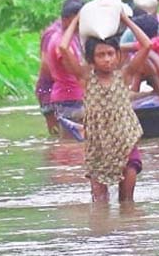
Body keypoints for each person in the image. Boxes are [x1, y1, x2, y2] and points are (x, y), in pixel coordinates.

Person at [58, 12, 152, 202]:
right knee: (100, 202)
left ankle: (127, 229)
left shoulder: (125, 75)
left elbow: (147, 45)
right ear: (92, 59)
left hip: (125, 139)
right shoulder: (86, 78)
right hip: (98, 144)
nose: (107, 59)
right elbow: (63, 47)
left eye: (110, 54)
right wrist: (76, 22)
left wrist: (125, 20)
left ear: (118, 55)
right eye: (101, 55)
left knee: (127, 201)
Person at [45, 0, 86, 127]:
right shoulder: (60, 41)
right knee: (73, 143)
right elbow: (75, 72)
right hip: (69, 98)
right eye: (77, 22)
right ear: (66, 20)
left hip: (71, 97)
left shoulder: (70, 38)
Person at [36, 19, 62, 135]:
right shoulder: (53, 34)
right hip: (49, 90)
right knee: (58, 134)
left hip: (63, 90)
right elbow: (46, 65)